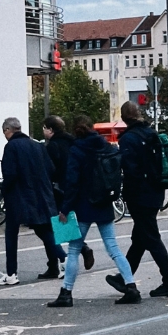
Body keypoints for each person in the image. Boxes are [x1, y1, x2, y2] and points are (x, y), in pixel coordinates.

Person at [46, 115, 141, 307]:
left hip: (82, 205)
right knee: (113, 248)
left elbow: (72, 182)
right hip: (104, 202)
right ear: (92, 127)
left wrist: (65, 208)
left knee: (73, 250)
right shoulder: (105, 146)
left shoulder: (77, 150)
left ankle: (66, 293)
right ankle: (131, 286)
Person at [118, 101, 168, 297]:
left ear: (124, 118)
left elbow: (130, 170)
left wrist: (125, 191)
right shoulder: (151, 133)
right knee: (140, 239)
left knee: (151, 238)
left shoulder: (129, 139)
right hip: (156, 191)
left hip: (140, 196)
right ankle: (124, 278)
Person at [0, 117, 60, 287]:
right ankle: (64, 258)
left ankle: (11, 273)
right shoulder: (38, 145)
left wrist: (3, 191)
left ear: (8, 130)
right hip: (41, 194)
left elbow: (10, 174)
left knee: (11, 234)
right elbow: (51, 169)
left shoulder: (11, 147)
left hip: (18, 197)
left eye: (4, 132)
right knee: (44, 230)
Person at [43, 116, 94, 273]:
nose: (43, 131)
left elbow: (50, 170)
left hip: (58, 190)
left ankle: (81, 250)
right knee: (60, 226)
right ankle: (53, 265)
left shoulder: (53, 146)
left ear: (50, 130)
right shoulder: (72, 142)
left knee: (56, 226)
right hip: (75, 188)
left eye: (44, 128)